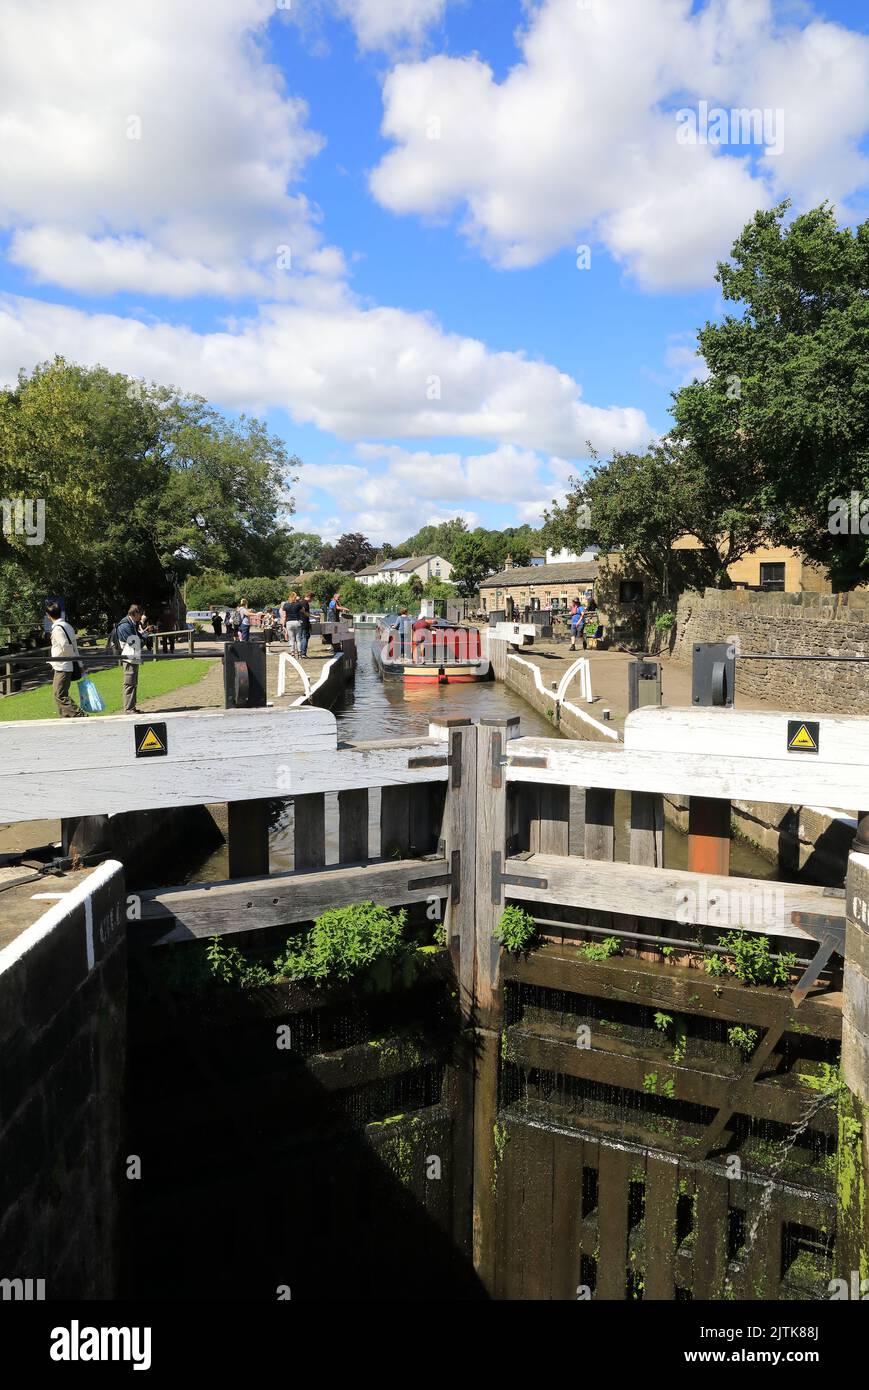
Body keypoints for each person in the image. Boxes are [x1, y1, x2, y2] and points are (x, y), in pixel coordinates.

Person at [47, 602, 87, 718]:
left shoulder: (57, 629)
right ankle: (65, 716)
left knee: (59, 694)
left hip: (62, 665)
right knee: (60, 693)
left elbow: (65, 646)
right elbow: (74, 647)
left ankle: (78, 714)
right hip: (66, 664)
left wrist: (68, 658)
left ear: (48, 615)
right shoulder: (67, 626)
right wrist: (79, 663)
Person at [116, 604, 144, 713]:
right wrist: (144, 636)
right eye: (140, 614)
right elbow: (136, 643)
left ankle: (132, 707)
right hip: (128, 657)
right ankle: (128, 709)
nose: (141, 616)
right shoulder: (125, 625)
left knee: (133, 682)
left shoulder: (131, 623)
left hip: (132, 656)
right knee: (129, 682)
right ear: (135, 613)